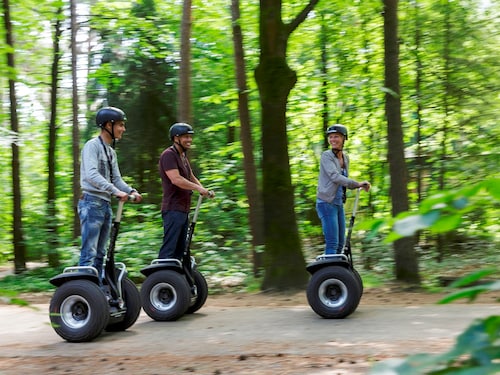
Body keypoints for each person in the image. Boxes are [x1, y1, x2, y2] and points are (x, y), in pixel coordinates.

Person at [78, 106, 142, 278]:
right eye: (120, 125)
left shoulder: (111, 152)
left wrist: (131, 191)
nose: (123, 129)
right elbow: (91, 174)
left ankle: (97, 292)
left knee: (101, 254)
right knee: (89, 253)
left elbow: (117, 179)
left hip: (105, 205)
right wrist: (115, 192)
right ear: (108, 125)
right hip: (91, 203)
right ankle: (84, 291)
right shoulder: (92, 146)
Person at [158, 123, 212, 260]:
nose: (189, 140)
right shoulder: (168, 155)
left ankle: (176, 278)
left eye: (190, 137)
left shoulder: (182, 157)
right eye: (186, 137)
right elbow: (176, 179)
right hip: (172, 208)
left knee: (181, 249)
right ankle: (162, 277)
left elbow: (190, 176)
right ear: (176, 138)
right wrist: (198, 188)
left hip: (183, 209)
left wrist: (203, 189)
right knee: (170, 248)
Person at [316, 124, 370, 255]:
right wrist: (356, 184)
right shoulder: (326, 156)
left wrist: (359, 185)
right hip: (326, 203)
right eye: (331, 137)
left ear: (344, 138)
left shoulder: (345, 158)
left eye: (337, 137)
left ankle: (338, 274)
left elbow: (342, 181)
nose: (333, 140)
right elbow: (335, 177)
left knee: (340, 243)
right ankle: (328, 273)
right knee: (332, 243)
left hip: (338, 203)